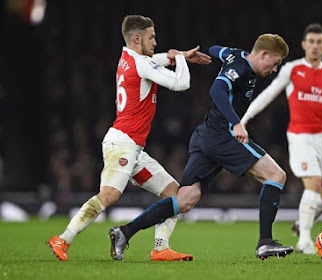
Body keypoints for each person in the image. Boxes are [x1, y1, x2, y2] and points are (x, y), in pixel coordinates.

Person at [108, 33, 294, 261]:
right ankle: (265, 242)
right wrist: (236, 123)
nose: (274, 69)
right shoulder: (241, 68)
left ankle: (124, 232)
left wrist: (216, 55)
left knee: (185, 199)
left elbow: (216, 48)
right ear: (264, 54)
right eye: (275, 63)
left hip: (205, 135)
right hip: (222, 135)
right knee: (276, 175)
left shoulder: (235, 56)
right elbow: (216, 90)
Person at [46, 14, 212, 262]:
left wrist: (178, 55)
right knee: (109, 196)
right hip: (122, 145)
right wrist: (179, 58)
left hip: (133, 150)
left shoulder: (127, 59)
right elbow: (181, 83)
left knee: (174, 195)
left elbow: (154, 59)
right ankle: (63, 238)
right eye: (151, 37)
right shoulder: (141, 64)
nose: (155, 42)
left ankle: (160, 247)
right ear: (137, 38)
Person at [241, 23, 322, 254]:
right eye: (311, 42)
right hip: (300, 136)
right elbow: (269, 94)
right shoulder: (292, 69)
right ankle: (305, 240)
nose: (314, 46)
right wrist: (245, 118)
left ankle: (302, 224)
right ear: (304, 44)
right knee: (312, 184)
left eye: (319, 42)